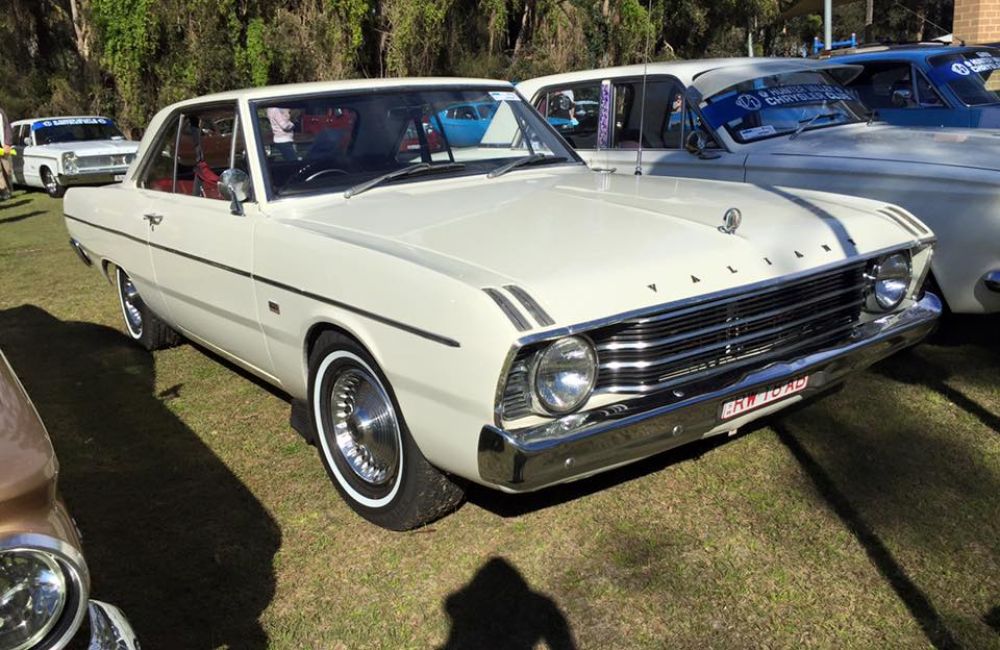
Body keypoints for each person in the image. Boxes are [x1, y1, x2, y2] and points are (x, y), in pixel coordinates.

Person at [0, 106, 13, 201]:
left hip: (4, 146)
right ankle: (4, 192)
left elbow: (7, 128)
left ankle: (9, 189)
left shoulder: (1, 112)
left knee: (7, 169)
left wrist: (7, 143)